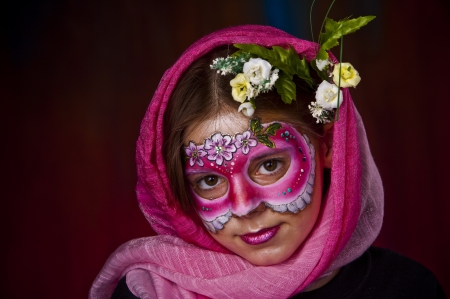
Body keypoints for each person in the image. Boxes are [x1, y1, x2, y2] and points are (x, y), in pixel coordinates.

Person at [89, 25, 445, 298]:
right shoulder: (149, 293)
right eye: (209, 180)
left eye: (269, 165)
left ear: (327, 143)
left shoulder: (405, 289)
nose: (245, 208)